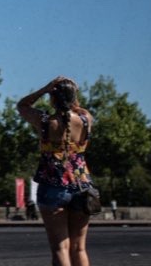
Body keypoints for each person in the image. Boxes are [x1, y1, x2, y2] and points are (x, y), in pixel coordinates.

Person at [17, 76, 95, 266]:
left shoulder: (45, 121)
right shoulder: (86, 119)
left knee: (61, 248)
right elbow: (74, 108)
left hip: (52, 185)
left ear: (53, 98)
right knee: (79, 247)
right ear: (74, 97)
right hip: (82, 185)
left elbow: (22, 105)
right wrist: (69, 93)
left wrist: (45, 89)